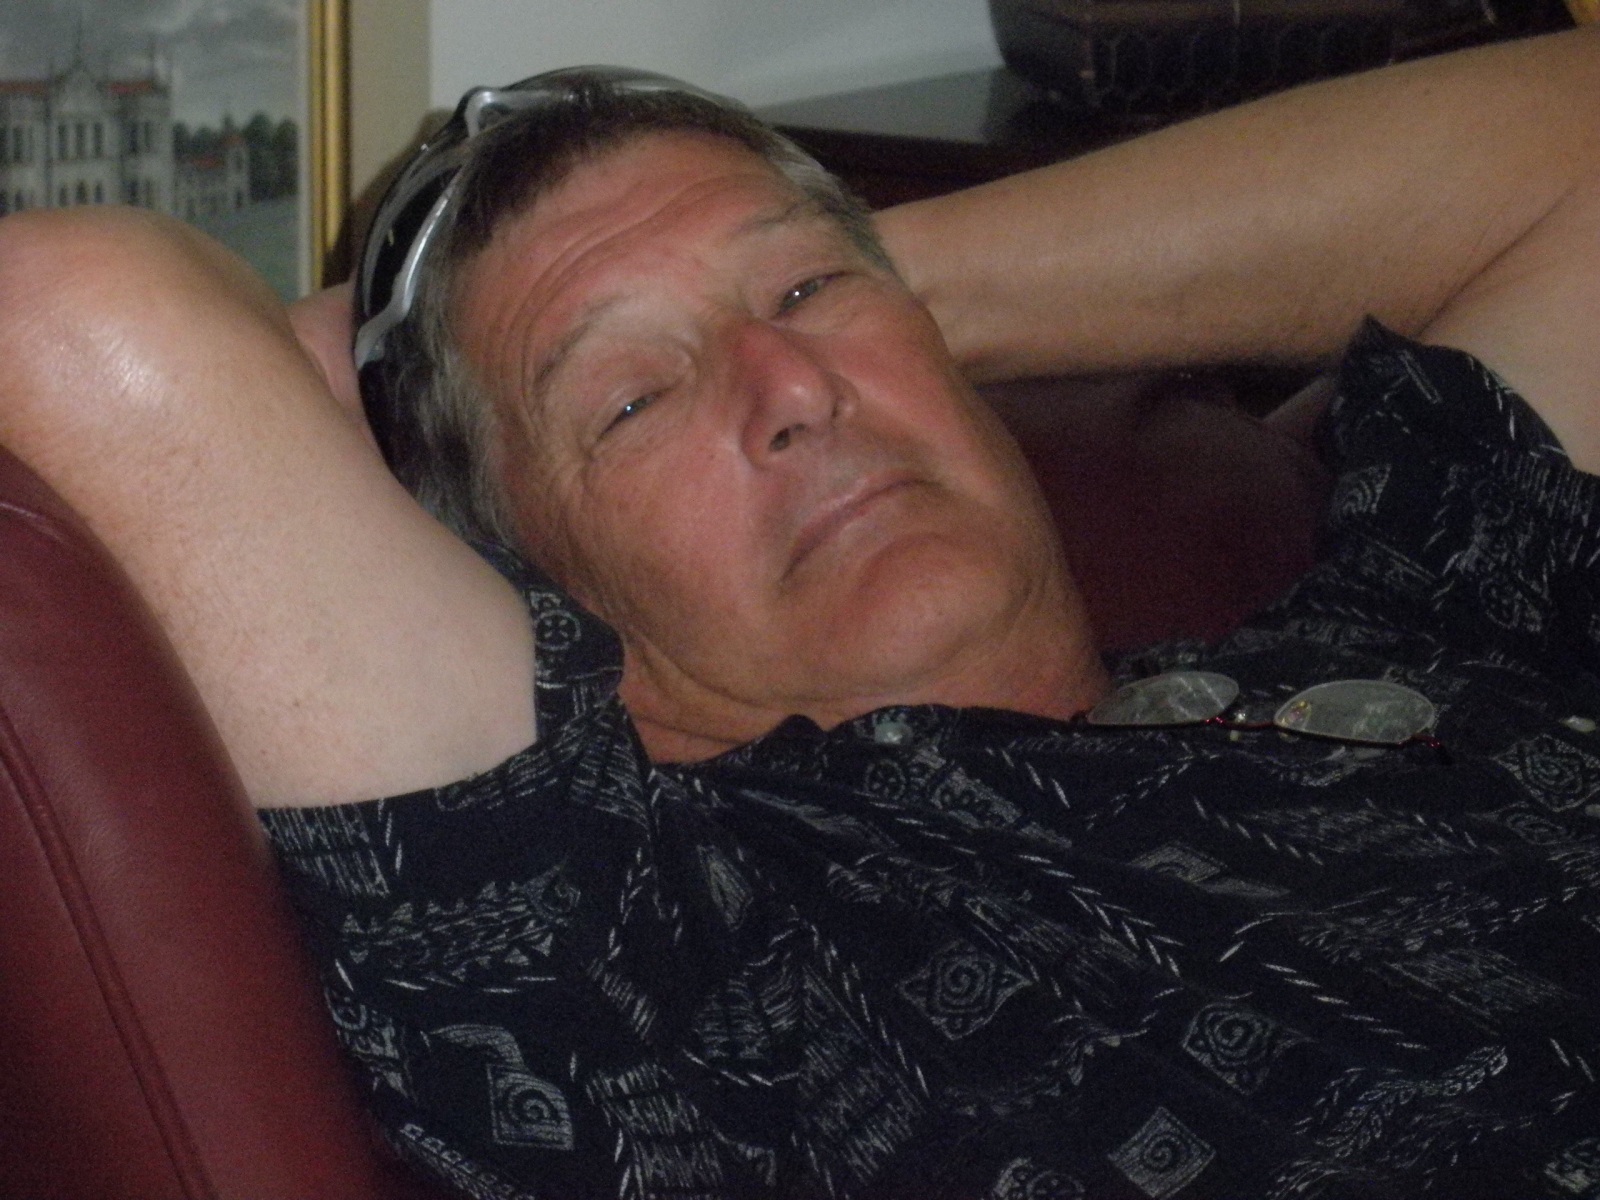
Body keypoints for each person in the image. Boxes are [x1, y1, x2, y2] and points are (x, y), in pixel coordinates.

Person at [1, 28, 1599, 1199]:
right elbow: (62, 316)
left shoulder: (1415, 616)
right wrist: (400, 380)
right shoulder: (690, 961)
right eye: (632, 401)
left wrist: (879, 281)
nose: (791, 391)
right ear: (539, 609)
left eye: (808, 300)